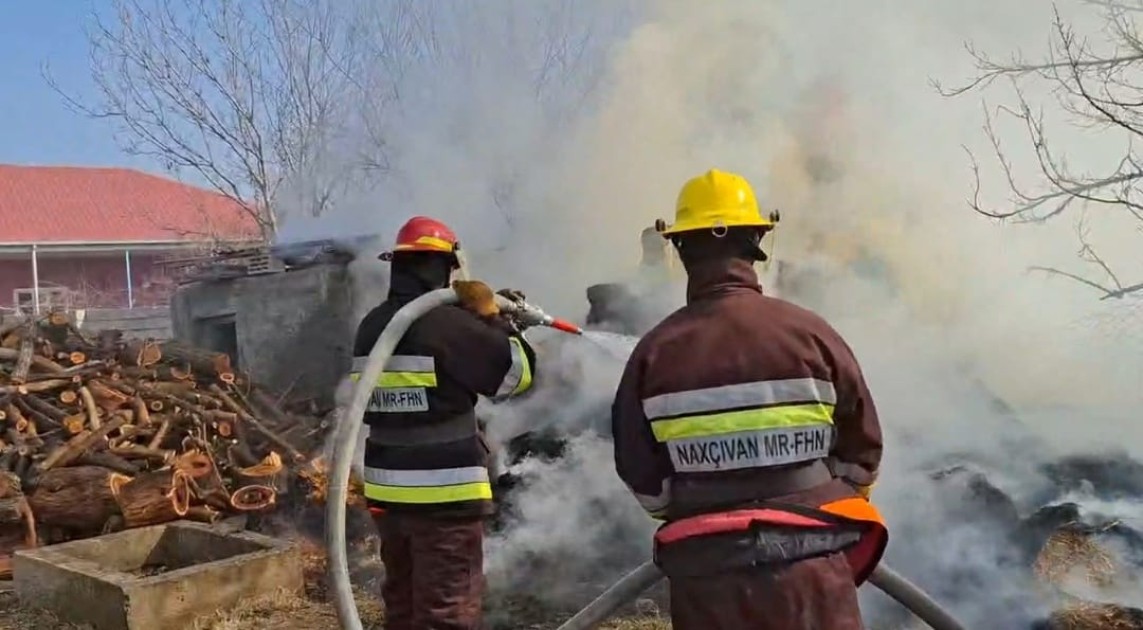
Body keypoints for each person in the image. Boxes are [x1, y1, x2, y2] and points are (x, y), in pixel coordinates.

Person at [610, 169, 889, 629]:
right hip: (812, 573)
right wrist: (814, 497)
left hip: (707, 576)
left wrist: (702, 508)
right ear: (757, 243)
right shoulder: (812, 334)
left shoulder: (653, 353)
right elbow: (863, 453)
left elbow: (643, 478)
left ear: (681, 249)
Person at [349, 215, 537, 630]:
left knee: (404, 602)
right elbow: (516, 377)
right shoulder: (446, 324)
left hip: (387, 492)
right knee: (445, 612)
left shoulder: (372, 326)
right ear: (446, 265)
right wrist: (499, 322)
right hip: (443, 495)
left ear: (398, 265)